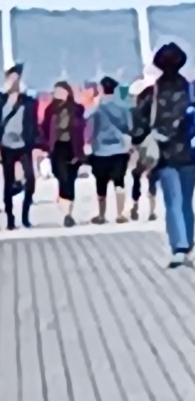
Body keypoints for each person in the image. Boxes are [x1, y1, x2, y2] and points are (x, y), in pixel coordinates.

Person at [146, 44, 195, 264]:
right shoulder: (190, 90)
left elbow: (140, 122)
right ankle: (188, 243)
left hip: (164, 154)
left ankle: (179, 246)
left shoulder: (152, 92)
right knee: (186, 201)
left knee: (173, 201)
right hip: (189, 152)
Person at [0, 65, 40, 226]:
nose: (14, 82)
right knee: (8, 182)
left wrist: (36, 145)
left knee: (31, 181)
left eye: (16, 78)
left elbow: (34, 125)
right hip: (6, 146)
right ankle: (10, 218)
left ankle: (25, 216)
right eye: (11, 78)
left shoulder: (28, 102)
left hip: (23, 145)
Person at [41, 74, 91, 221]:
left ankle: (68, 213)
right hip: (57, 147)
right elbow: (44, 128)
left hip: (73, 147)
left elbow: (82, 128)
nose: (57, 94)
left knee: (70, 179)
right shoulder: (50, 110)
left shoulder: (77, 109)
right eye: (56, 91)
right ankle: (66, 210)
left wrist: (83, 148)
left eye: (60, 91)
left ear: (67, 92)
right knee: (62, 177)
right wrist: (45, 145)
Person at [88, 73, 137, 221]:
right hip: (120, 150)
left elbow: (90, 128)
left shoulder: (97, 109)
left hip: (100, 151)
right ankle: (120, 214)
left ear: (101, 89)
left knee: (101, 184)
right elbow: (130, 127)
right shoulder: (124, 107)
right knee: (119, 182)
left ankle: (101, 215)